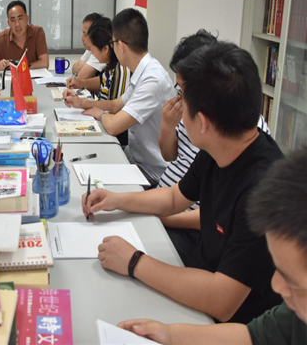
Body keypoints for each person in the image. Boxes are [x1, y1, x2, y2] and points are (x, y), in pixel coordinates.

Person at [82, 41, 284, 323]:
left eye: (182, 96)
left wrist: (134, 261)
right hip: (203, 269)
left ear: (202, 121)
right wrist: (115, 199)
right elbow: (175, 197)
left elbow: (222, 300)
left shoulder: (264, 191)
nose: (176, 104)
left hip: (232, 322)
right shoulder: (222, 145)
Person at [117, 149, 307, 345]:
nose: (276, 286)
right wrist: (170, 334)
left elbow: (223, 301)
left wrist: (135, 263)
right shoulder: (294, 317)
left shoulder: (255, 177)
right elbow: (252, 336)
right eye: (278, 270)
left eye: (292, 281)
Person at [158, 29, 270, 229]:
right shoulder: (204, 145)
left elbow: (220, 216)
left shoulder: (235, 133)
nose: (182, 97)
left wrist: (164, 219)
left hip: (186, 223)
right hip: (169, 204)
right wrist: (167, 126)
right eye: (180, 89)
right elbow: (170, 163)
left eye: (184, 88)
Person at [70, 8, 175, 185]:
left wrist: (99, 114)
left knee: (85, 181)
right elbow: (116, 104)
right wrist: (83, 103)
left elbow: (114, 126)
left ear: (122, 46)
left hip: (151, 171)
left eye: (113, 43)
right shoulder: (142, 71)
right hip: (134, 159)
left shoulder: (152, 80)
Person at [61, 17, 130, 144]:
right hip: (104, 125)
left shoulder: (121, 69)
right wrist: (81, 83)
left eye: (93, 51)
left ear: (105, 49)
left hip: (115, 137)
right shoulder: (111, 66)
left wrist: (83, 103)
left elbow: (113, 107)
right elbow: (102, 81)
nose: (92, 54)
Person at [0, 0, 49, 71]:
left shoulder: (37, 32)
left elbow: (44, 63)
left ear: (27, 18)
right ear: (8, 23)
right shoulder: (0, 39)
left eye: (20, 18)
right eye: (13, 20)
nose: (17, 24)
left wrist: (20, 67)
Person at [70, 12, 107, 83]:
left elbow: (80, 77)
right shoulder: (91, 49)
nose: (82, 38)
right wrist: (82, 65)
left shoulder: (100, 50)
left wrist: (82, 66)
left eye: (85, 35)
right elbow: (74, 69)